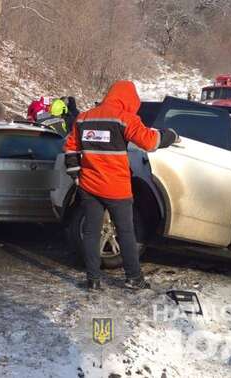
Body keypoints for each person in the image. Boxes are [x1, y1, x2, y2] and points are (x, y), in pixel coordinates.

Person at [64, 81, 178, 292]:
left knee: (91, 233)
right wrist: (170, 135)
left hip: (89, 186)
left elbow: (70, 148)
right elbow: (150, 142)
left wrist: (75, 175)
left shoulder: (84, 117)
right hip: (117, 188)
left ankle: (93, 280)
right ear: (129, 99)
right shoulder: (125, 118)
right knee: (126, 233)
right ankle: (134, 278)